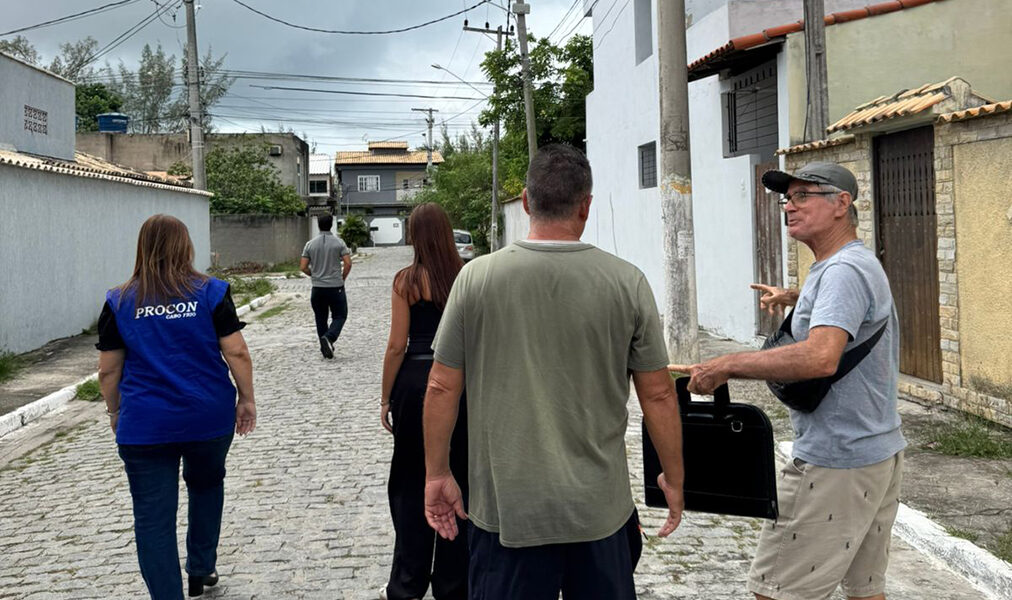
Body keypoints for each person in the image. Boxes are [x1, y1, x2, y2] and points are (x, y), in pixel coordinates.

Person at [422, 144, 685, 600]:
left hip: (507, 514)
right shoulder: (627, 281)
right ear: (586, 205)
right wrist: (675, 477)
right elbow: (659, 396)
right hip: (599, 513)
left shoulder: (477, 278)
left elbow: (442, 384)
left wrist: (437, 473)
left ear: (525, 201)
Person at [671, 162, 906, 600]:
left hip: (837, 459)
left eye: (803, 196)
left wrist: (728, 364)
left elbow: (821, 357)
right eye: (787, 199)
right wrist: (796, 297)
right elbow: (850, 306)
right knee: (865, 590)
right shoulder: (852, 264)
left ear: (841, 204)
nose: (789, 208)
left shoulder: (842, 272)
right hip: (876, 452)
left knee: (775, 591)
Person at [96, 214, 257, 600]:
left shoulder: (119, 301)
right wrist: (246, 398)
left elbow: (107, 371)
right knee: (206, 486)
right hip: (208, 418)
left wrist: (116, 412)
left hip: (145, 425)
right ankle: (201, 567)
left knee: (153, 520)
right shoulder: (212, 292)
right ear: (186, 246)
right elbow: (236, 351)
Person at [379, 203, 468, 600]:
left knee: (410, 478)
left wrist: (385, 397)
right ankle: (454, 581)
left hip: (415, 382)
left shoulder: (407, 281)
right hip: (457, 379)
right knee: (458, 473)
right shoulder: (465, 277)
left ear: (414, 236)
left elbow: (397, 345)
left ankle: (408, 581)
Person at [300, 214, 352, 359]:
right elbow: (348, 263)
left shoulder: (309, 244)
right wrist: (342, 277)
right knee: (340, 315)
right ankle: (329, 337)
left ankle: (325, 346)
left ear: (318, 225)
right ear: (331, 224)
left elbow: (303, 266)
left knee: (320, 318)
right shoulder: (339, 243)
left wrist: (314, 275)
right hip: (335, 286)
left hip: (317, 288)